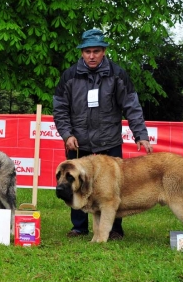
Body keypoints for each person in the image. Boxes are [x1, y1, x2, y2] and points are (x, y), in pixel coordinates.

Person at [53, 29, 153, 240]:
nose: (91, 55)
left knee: (112, 190)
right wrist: (66, 134)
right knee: (75, 184)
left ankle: (114, 229)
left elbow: (132, 106)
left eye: (96, 51)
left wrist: (140, 134)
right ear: (81, 52)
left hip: (109, 142)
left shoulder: (117, 74)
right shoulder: (69, 76)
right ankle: (79, 227)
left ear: (104, 51)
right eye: (87, 51)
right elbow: (60, 109)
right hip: (78, 143)